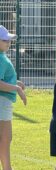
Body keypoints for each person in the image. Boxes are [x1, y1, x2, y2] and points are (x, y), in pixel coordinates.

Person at [0, 25, 27, 170]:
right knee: (5, 138)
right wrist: (16, 88)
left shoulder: (2, 56)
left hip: (4, 101)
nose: (8, 43)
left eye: (9, 40)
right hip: (2, 102)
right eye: (5, 40)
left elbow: (3, 79)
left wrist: (15, 82)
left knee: (6, 138)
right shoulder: (0, 58)